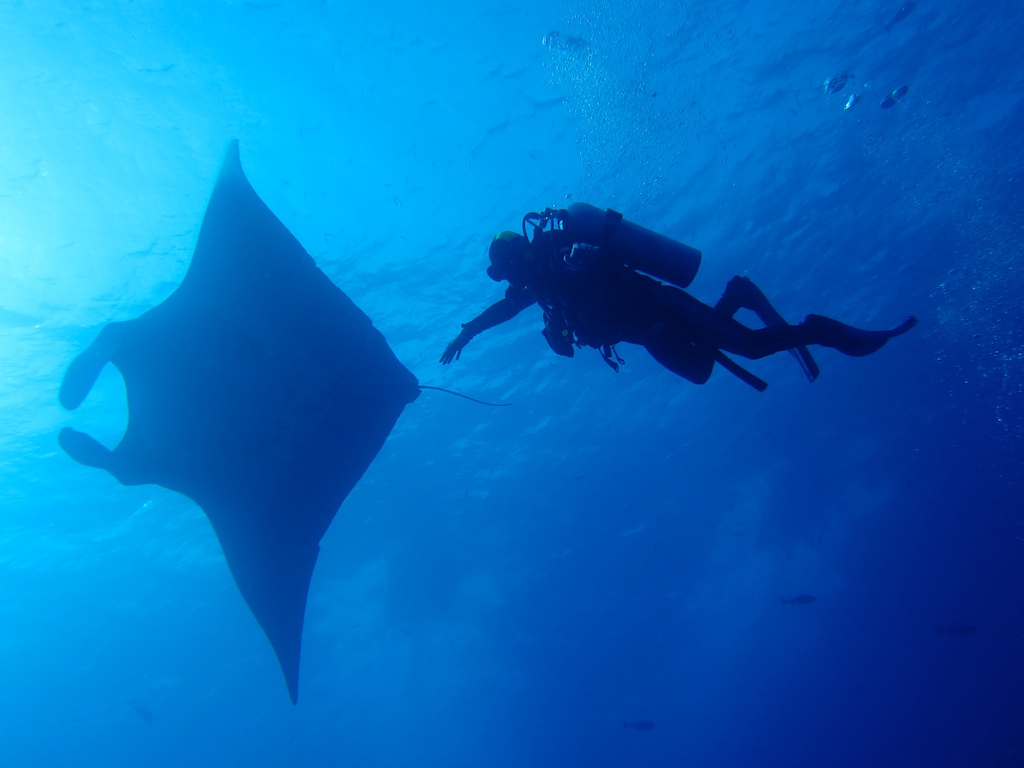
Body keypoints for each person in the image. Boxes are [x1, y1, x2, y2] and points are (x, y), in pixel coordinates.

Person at [439, 209, 916, 390]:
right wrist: (467, 331)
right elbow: (503, 309)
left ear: (517, 256)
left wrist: (578, 261)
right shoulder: (537, 287)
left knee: (749, 346)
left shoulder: (555, 256)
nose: (509, 280)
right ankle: (736, 294)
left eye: (506, 268)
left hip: (661, 306)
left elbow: (589, 267)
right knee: (701, 371)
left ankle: (831, 331)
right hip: (645, 334)